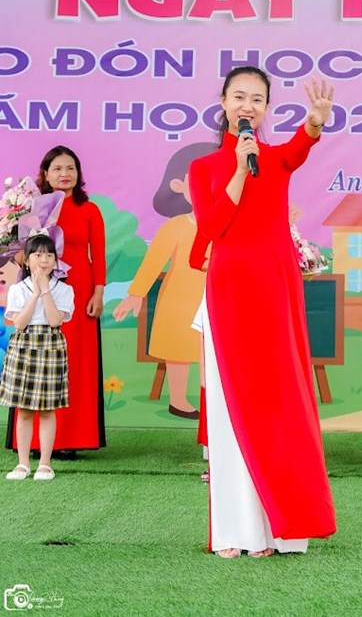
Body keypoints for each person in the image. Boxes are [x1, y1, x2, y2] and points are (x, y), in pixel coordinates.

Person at [189, 66, 336, 558]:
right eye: (239, 96)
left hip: (274, 284)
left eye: (257, 99)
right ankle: (235, 530)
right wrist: (237, 170)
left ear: (267, 108)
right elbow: (212, 227)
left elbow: (300, 147)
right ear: (223, 102)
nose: (247, 106)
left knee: (276, 398)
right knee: (232, 402)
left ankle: (278, 528)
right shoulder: (205, 167)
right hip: (230, 287)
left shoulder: (274, 159)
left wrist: (315, 121)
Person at [6, 146, 106, 456]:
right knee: (36, 358)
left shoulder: (90, 210)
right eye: (58, 169)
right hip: (38, 288)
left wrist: (98, 292)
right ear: (45, 174)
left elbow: (98, 254)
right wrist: (23, 258)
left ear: (78, 174)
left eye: (71, 168)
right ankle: (32, 441)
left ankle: (71, 438)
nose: (65, 174)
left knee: (74, 361)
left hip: (78, 290)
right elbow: (18, 250)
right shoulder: (31, 209)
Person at [113, 143, 214, 419]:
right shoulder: (175, 226)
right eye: (198, 181)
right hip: (177, 300)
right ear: (179, 186)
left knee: (214, 351)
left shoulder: (227, 225)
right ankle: (178, 400)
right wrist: (135, 294)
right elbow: (153, 262)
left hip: (215, 299)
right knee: (178, 349)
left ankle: (216, 403)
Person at [0, 233, 74, 480]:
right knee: (24, 410)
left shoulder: (64, 289)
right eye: (38, 254)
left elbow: (54, 321)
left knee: (47, 409)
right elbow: (19, 324)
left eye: (49, 255)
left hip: (51, 347)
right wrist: (34, 294)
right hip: (23, 346)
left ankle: (45, 463)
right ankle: (23, 464)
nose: (44, 260)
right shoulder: (17, 290)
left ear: (55, 260)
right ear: (27, 259)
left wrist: (45, 291)